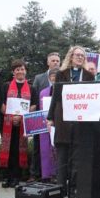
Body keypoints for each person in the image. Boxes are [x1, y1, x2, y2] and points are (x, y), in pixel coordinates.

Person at [47, 46, 94, 197]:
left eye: (82, 55)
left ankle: (73, 187)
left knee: (77, 156)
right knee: (62, 153)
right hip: (63, 118)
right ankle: (60, 187)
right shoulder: (61, 74)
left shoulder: (88, 75)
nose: (80, 57)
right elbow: (55, 96)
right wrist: (50, 117)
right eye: (77, 55)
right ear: (71, 57)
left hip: (81, 120)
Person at [0, 59, 38, 188]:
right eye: (17, 69)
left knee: (18, 149)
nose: (20, 71)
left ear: (25, 71)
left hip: (22, 123)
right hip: (7, 122)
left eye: (22, 69)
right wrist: (10, 115)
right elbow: (1, 103)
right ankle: (6, 177)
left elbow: (34, 105)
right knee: (7, 148)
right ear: (13, 72)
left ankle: (16, 177)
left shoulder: (32, 88)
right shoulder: (5, 86)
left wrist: (21, 116)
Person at [30, 52, 60, 181]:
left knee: (57, 148)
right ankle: (37, 173)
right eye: (53, 60)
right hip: (41, 120)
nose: (55, 63)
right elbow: (34, 99)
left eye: (57, 61)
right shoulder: (39, 78)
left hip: (58, 121)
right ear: (48, 62)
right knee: (40, 148)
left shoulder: (65, 78)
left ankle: (57, 174)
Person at [39, 68, 59, 182]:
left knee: (56, 149)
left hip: (59, 124)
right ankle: (46, 175)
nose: (54, 78)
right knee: (46, 150)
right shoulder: (43, 92)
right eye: (52, 76)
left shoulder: (63, 90)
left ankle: (57, 175)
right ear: (49, 77)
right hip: (45, 125)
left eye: (56, 76)